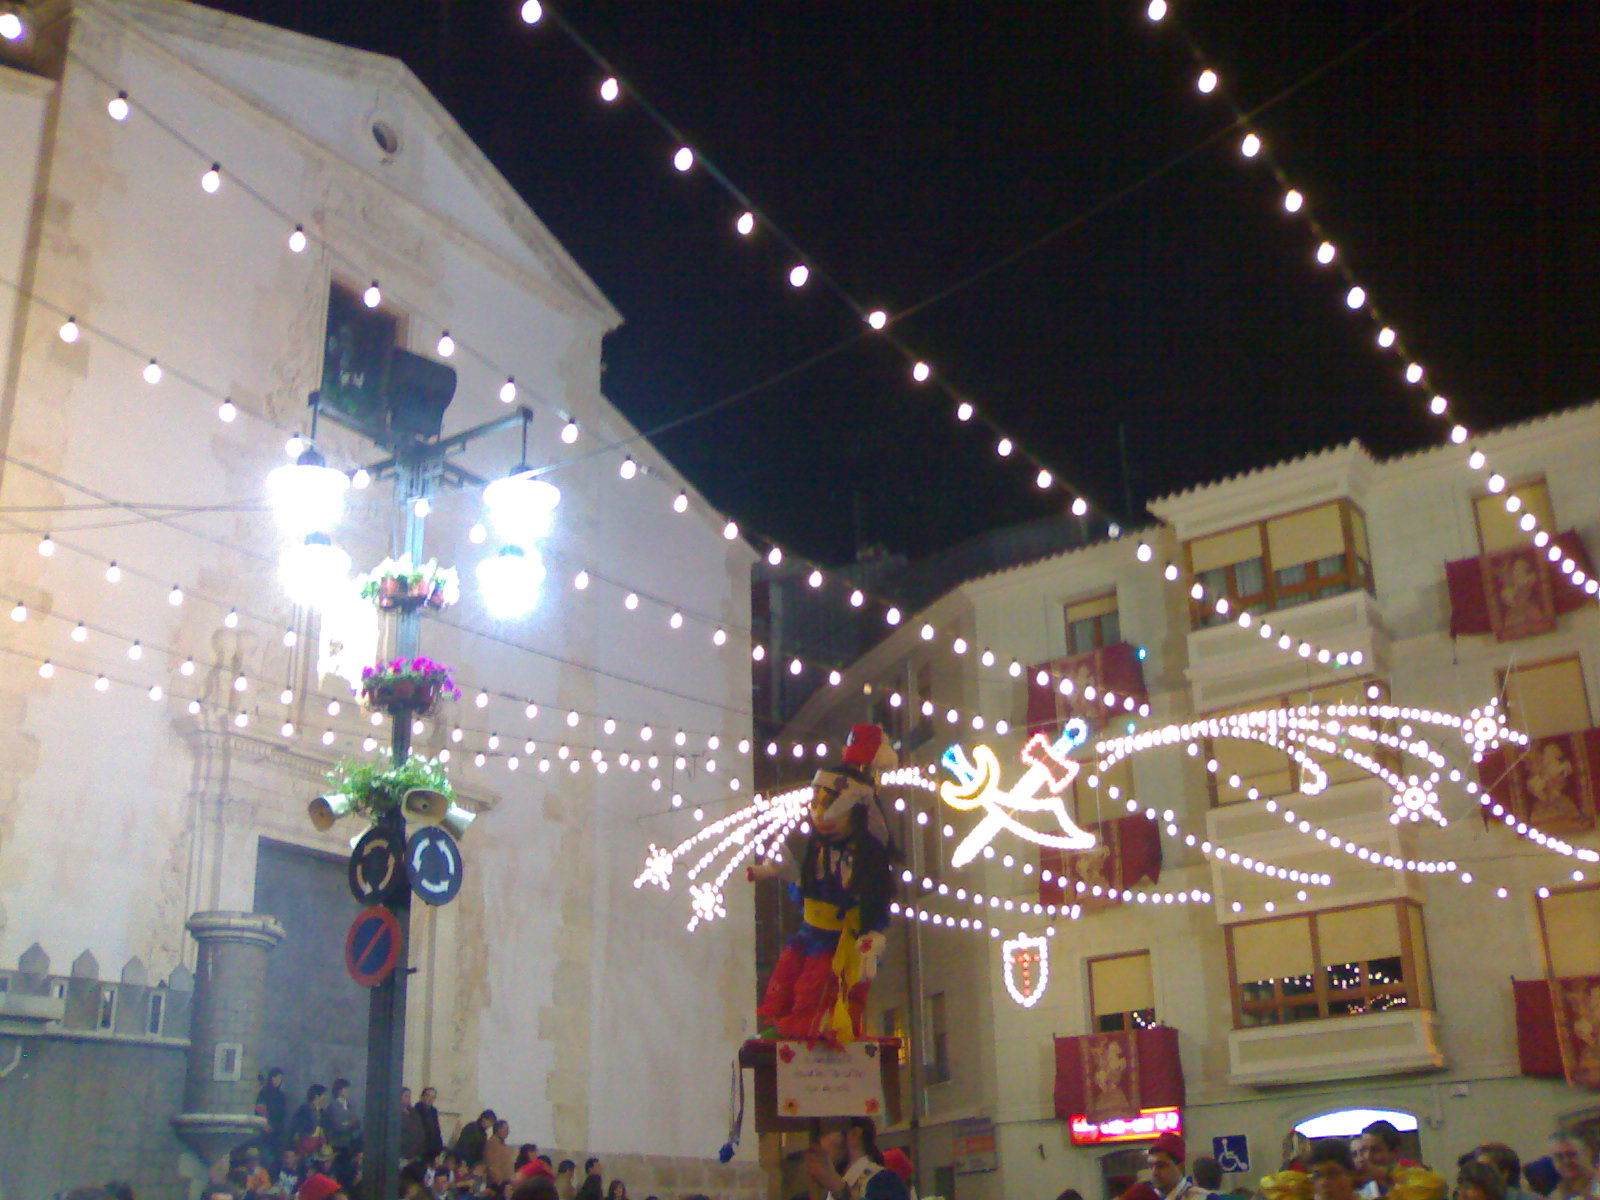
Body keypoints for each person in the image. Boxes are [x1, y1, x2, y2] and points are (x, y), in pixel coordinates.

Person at [752, 724, 899, 1041]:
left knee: (817, 986)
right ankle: (787, 1024)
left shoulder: (866, 859)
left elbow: (875, 898)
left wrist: (873, 934)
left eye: (828, 804)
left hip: (839, 940)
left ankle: (814, 1029)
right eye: (816, 803)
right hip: (810, 932)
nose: (819, 814)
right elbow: (803, 884)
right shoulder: (817, 851)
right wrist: (777, 871)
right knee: (787, 977)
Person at [802, 1116, 910, 1200]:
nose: (818, 1145)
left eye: (823, 1134)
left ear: (854, 1135)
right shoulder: (832, 1190)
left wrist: (838, 1188)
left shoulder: (884, 1181)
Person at [1148, 1133, 1208, 1200]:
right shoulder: (1147, 1197)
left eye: (1161, 1165)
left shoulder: (1204, 1198)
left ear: (1180, 1166)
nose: (1154, 1172)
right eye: (1151, 1166)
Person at [1355, 1122, 1404, 1199]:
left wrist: (1385, 1177)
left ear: (1395, 1152)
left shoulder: (1416, 1179)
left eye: (1375, 1150)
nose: (1367, 1157)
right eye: (1364, 1150)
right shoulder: (1360, 1188)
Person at [257, 1069, 290, 1164]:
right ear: (271, 1078)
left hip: (278, 1133)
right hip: (266, 1132)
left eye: (280, 1079)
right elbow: (260, 1110)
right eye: (276, 1078)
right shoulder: (263, 1093)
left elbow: (283, 1115)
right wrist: (265, 1125)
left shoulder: (281, 1095)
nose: (278, 1080)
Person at [288, 1085, 329, 1157]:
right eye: (323, 1095)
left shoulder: (320, 1110)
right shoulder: (305, 1108)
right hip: (305, 1145)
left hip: (316, 1145)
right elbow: (295, 1127)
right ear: (316, 1096)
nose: (325, 1097)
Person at [1546, 1136, 1591, 1200]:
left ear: (1586, 1155)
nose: (1566, 1161)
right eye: (1559, 1157)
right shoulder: (1556, 1195)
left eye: (1571, 1155)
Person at [325, 1079, 360, 1153]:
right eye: (346, 1089)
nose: (348, 1091)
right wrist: (351, 1123)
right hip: (337, 1145)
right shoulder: (332, 1106)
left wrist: (349, 1123)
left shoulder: (349, 1105)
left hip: (349, 1143)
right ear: (339, 1090)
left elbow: (357, 1123)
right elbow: (339, 1126)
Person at [415, 1087, 446, 1163]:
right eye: (428, 1096)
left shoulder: (433, 1111)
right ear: (422, 1096)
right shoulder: (416, 1111)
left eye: (433, 1097)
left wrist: (439, 1147)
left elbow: (437, 1130)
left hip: (433, 1149)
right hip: (421, 1149)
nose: (430, 1099)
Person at [486, 1121, 517, 1188]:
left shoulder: (502, 1145)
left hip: (506, 1183)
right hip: (498, 1184)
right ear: (498, 1130)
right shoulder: (493, 1144)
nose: (508, 1132)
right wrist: (498, 1180)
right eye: (506, 1129)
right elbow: (492, 1164)